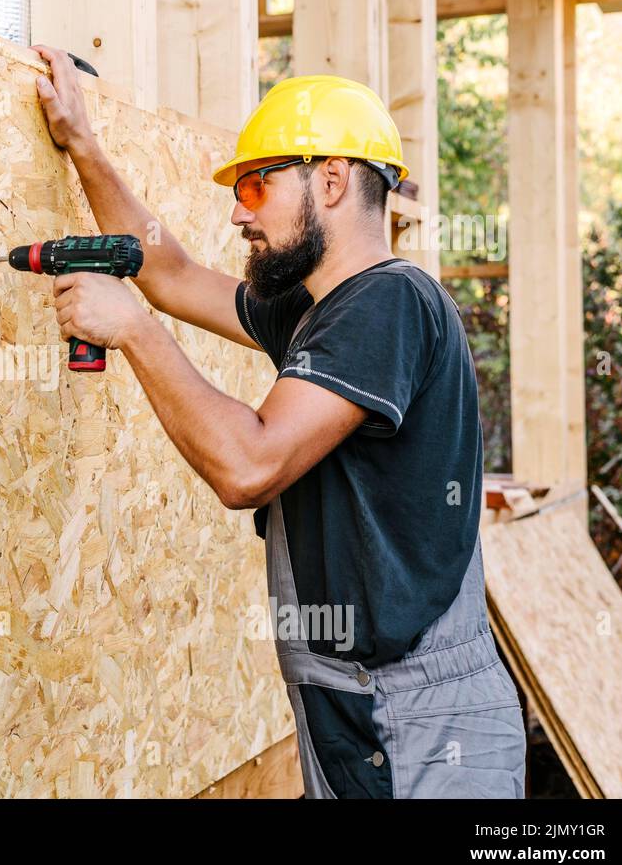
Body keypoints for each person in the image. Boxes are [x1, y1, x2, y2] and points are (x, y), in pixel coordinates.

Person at [29, 45, 526, 798]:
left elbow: (248, 467)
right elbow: (172, 274)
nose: (238, 210)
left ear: (330, 179)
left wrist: (131, 331)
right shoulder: (319, 310)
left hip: (421, 716)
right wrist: (85, 146)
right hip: (347, 700)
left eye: (257, 187)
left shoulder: (388, 303)